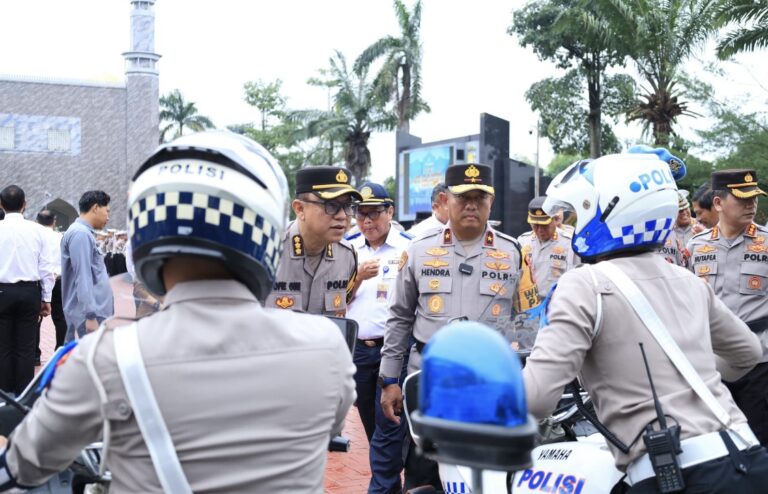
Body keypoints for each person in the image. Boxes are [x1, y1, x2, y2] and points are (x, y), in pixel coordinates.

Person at [0, 131, 356, 493]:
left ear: (147, 228)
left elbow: (23, 464)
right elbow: (331, 425)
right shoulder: (328, 347)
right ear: (263, 226)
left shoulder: (105, 358)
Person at [523, 152, 768, 493]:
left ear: (605, 210)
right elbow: (746, 352)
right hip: (747, 458)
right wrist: (691, 373)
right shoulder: (686, 280)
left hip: (676, 475)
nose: (575, 225)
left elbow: (534, 400)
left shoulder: (583, 284)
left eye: (581, 212)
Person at [380, 163, 522, 491]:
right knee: (423, 475)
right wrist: (389, 380)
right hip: (430, 382)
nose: (471, 204)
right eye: (463, 197)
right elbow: (400, 316)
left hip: (489, 384)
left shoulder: (512, 252)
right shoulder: (418, 250)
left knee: (486, 477)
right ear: (446, 199)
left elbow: (524, 322)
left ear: (492, 201)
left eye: (479, 197)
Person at [688, 169, 768, 447]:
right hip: (712, 362)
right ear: (719, 203)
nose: (751, 205)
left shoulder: (767, 242)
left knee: (759, 442)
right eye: (743, 199)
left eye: (754, 198)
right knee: (717, 443)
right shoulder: (697, 246)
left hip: (760, 362)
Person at [345, 182, 412, 494]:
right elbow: (335, 299)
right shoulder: (348, 249)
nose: (366, 221)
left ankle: (383, 488)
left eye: (373, 213)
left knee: (387, 429)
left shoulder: (408, 248)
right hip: (359, 351)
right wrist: (357, 278)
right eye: (361, 215)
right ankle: (393, 482)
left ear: (390, 212)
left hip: (393, 351)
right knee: (374, 429)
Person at [265, 165, 362, 316]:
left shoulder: (347, 256)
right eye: (332, 205)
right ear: (300, 209)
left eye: (347, 206)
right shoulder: (268, 250)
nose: (343, 216)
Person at [0, 185, 55, 395]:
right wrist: (46, 298)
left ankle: (4, 396)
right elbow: (46, 268)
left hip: (2, 292)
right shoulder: (38, 231)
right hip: (29, 292)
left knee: (3, 347)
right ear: (25, 205)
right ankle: (23, 397)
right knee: (26, 347)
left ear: (1, 204)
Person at [61, 190, 114, 343]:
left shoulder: (83, 233)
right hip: (89, 317)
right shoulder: (81, 234)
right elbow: (82, 276)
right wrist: (90, 315)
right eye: (107, 211)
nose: (108, 217)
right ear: (95, 208)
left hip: (93, 314)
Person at [517, 196, 579, 298]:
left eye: (545, 225)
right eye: (535, 225)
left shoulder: (569, 243)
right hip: (529, 307)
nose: (540, 230)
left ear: (555, 220)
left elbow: (576, 280)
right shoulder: (522, 241)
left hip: (556, 306)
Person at [35, 210, 67, 355]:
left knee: (34, 319)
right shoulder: (61, 237)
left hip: (38, 281)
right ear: (54, 222)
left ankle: (35, 353)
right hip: (58, 280)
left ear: (37, 222)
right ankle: (60, 350)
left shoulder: (34, 236)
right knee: (60, 318)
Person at [656, 191, 692, 267]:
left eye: (686, 208)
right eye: (680, 210)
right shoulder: (666, 232)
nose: (685, 212)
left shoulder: (702, 228)